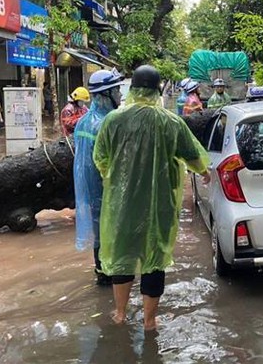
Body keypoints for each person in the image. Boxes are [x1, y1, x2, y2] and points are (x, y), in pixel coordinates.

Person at [93, 65, 211, 331]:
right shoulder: (170, 121)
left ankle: (121, 314)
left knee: (122, 255)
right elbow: (192, 153)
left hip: (122, 204)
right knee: (154, 259)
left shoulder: (113, 120)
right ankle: (149, 320)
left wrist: (116, 181)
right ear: (158, 90)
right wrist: (204, 172)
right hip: (159, 205)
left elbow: (101, 159)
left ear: (131, 88)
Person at [74, 69, 124, 286]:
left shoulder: (83, 121)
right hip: (106, 188)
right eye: (116, 90)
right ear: (106, 95)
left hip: (89, 188)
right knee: (111, 231)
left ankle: (101, 273)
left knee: (99, 230)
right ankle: (111, 276)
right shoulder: (109, 123)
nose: (120, 95)